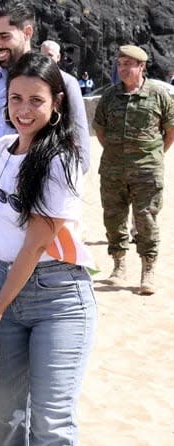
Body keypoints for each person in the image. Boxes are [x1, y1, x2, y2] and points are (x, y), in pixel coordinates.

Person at [0, 52, 96, 446]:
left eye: (36, 100)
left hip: (57, 299)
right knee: (4, 416)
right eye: (16, 98)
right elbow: (1, 228)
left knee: (52, 420)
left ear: (56, 102)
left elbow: (35, 244)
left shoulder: (64, 159)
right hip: (2, 284)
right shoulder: (4, 149)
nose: (23, 110)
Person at [0, 0, 91, 268]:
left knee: (24, 287)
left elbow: (80, 156)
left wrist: (41, 191)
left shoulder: (64, 84)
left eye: (4, 36)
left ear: (27, 32)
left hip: (34, 204)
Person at [93, 45, 174, 295]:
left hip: (147, 170)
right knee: (114, 218)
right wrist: (118, 153)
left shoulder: (159, 94)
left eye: (129, 64)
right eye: (120, 64)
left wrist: (155, 154)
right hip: (113, 170)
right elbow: (100, 130)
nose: (123, 68)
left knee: (146, 217)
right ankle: (118, 266)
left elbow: (170, 130)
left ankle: (147, 269)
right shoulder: (109, 96)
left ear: (141, 66)